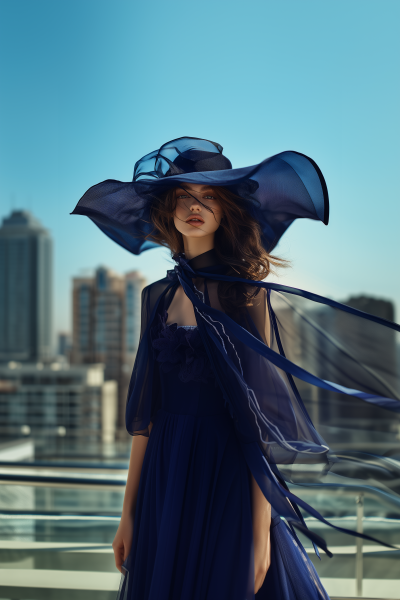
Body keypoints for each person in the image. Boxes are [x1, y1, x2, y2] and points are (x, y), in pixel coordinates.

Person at [72, 137, 400, 600]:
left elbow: (260, 421)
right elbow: (143, 421)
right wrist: (128, 515)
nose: (195, 206)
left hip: (225, 472)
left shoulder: (244, 294)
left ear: (225, 210)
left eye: (209, 197)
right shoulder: (156, 297)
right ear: (166, 210)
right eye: (183, 196)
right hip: (166, 475)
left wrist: (260, 535)